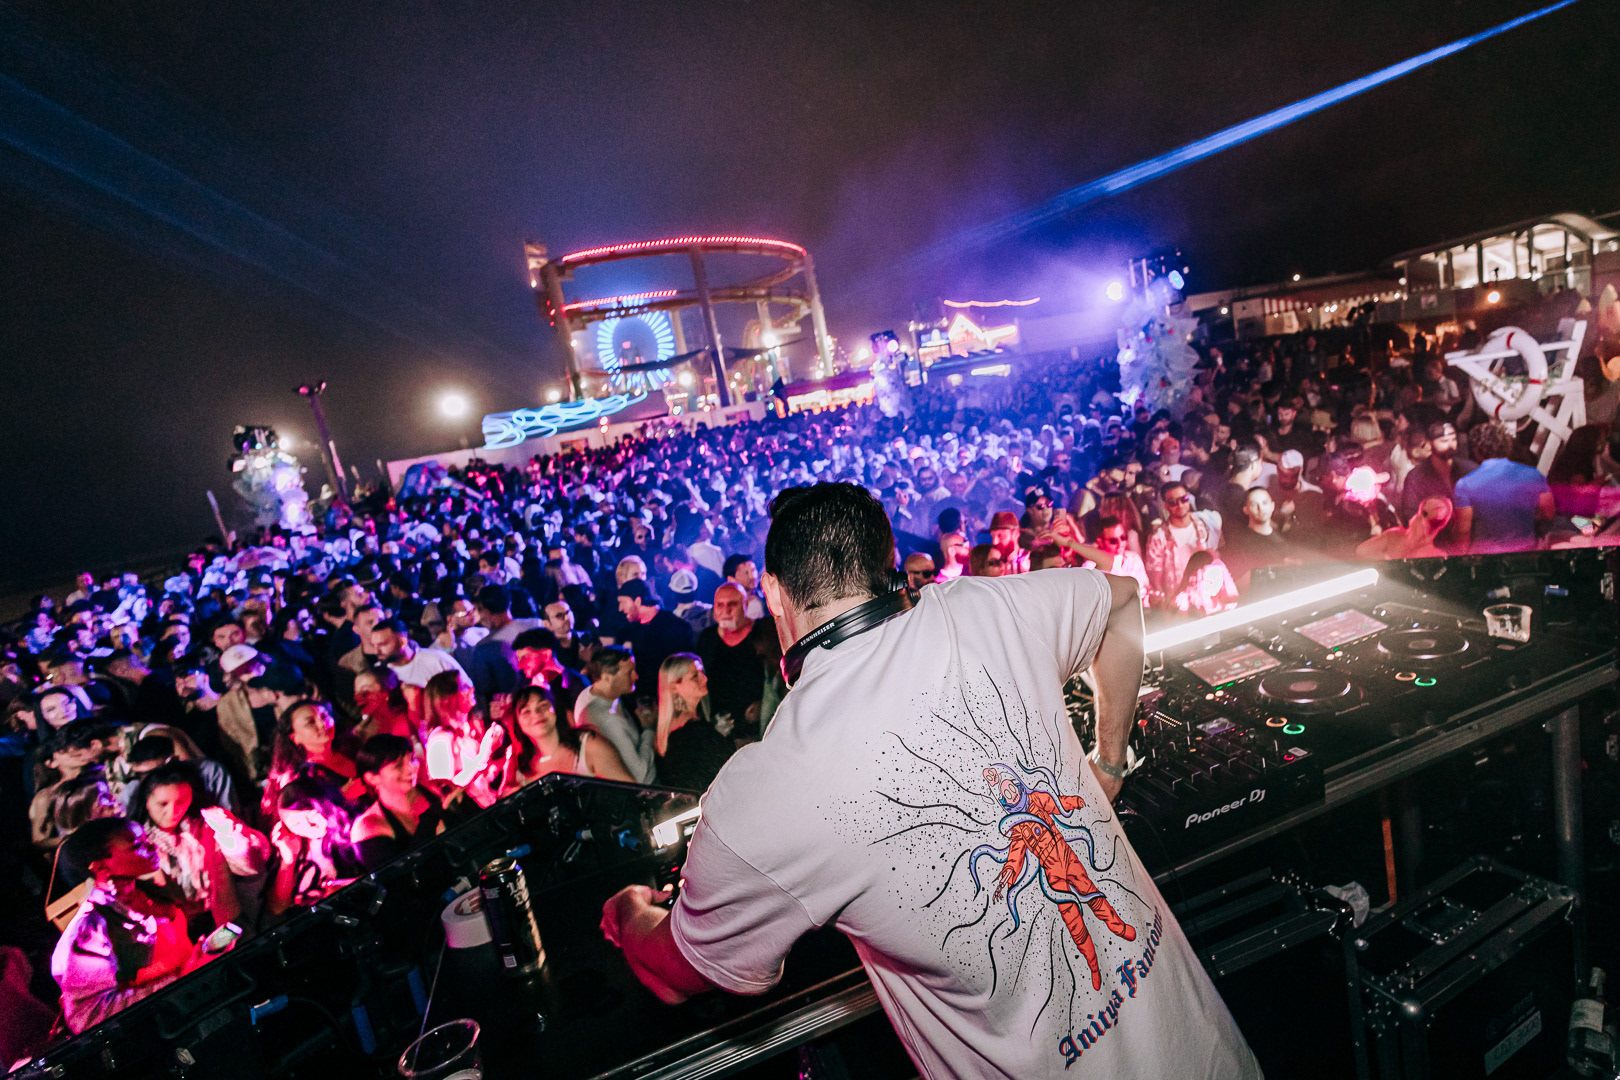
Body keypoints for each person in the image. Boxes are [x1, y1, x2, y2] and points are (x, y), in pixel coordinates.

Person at [601, 482, 1258, 1080]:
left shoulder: (768, 786)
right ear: (885, 563)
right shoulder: (985, 609)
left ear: (772, 592)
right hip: (1210, 1053)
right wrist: (1108, 760)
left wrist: (629, 912)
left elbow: (676, 972)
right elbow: (1121, 601)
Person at [51, 818, 217, 1033]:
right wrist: (179, 981)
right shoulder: (92, 929)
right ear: (101, 866)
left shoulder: (145, 893)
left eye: (146, 840)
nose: (152, 847)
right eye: (137, 845)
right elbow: (87, 1016)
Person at [128, 761, 270, 935]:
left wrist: (233, 838)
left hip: (223, 918)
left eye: (181, 801)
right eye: (163, 804)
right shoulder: (137, 844)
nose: (172, 812)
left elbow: (250, 865)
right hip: (173, 930)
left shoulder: (208, 826)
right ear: (147, 801)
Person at [498, 683, 629, 794]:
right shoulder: (517, 767)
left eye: (543, 705)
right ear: (518, 723)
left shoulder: (588, 745)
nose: (537, 714)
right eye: (526, 712)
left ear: (556, 709)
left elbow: (631, 794)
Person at [350, 735, 447, 873]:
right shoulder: (368, 826)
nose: (411, 768)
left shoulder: (434, 790)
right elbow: (401, 876)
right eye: (399, 765)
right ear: (372, 778)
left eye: (411, 760)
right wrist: (432, 818)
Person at [1453, 421, 1553, 553]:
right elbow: (1547, 513)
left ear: (1476, 449)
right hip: (1526, 554)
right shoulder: (1534, 475)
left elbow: (1463, 530)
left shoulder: (1465, 484)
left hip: (1484, 558)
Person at [695, 585, 771, 741]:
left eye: (732, 604)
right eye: (720, 605)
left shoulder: (763, 634)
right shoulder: (707, 639)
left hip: (759, 731)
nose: (726, 611)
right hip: (720, 732)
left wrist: (765, 705)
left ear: (746, 605)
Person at [652, 654, 734, 791]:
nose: (704, 679)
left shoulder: (682, 728)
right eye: (695, 676)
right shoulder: (688, 732)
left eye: (702, 673)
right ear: (674, 687)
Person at [573, 646, 654, 783]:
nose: (636, 676)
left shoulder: (587, 694)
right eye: (629, 673)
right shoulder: (609, 721)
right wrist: (648, 728)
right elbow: (640, 776)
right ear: (607, 678)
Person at [615, 580, 697, 699]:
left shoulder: (676, 628)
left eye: (622, 602)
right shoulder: (626, 632)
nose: (620, 608)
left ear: (637, 601)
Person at [1144, 480, 1218, 608]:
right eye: (1173, 502)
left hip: (1206, 597)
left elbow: (1215, 557)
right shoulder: (1158, 537)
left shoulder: (1204, 525)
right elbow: (1155, 578)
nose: (1180, 505)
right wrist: (1166, 606)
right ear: (1166, 505)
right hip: (1178, 603)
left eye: (1184, 499)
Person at [372, 617, 467, 690]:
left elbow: (466, 690)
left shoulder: (435, 659)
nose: (376, 651)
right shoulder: (378, 673)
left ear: (402, 642)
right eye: (374, 645)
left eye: (382, 644)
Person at [1356, 496, 1455, 561]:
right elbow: (1360, 551)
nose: (1422, 522)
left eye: (1425, 514)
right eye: (1424, 513)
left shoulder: (1437, 556)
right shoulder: (1393, 536)